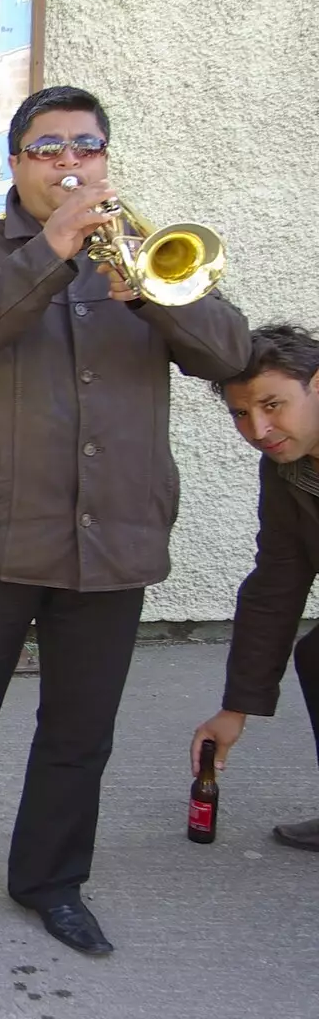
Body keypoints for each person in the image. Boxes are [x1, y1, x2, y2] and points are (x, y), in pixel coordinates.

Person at [0, 86, 250, 954]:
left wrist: (148, 293)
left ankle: (52, 881)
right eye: (48, 147)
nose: (70, 162)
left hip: (117, 538)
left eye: (86, 146)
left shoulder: (149, 257)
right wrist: (52, 253)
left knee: (79, 730)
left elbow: (230, 354)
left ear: (106, 157)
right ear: (17, 161)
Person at [192, 324, 319, 853]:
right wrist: (235, 708)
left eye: (273, 404)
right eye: (242, 413)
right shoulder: (285, 471)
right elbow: (275, 587)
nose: (259, 428)